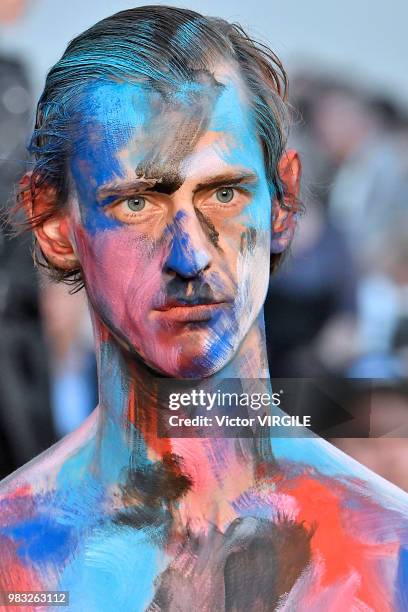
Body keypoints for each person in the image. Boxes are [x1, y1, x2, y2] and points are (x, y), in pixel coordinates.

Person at [0, 7, 407, 611]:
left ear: (283, 202)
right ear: (54, 223)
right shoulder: (15, 559)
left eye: (223, 193)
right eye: (137, 202)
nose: (190, 257)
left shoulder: (390, 554)